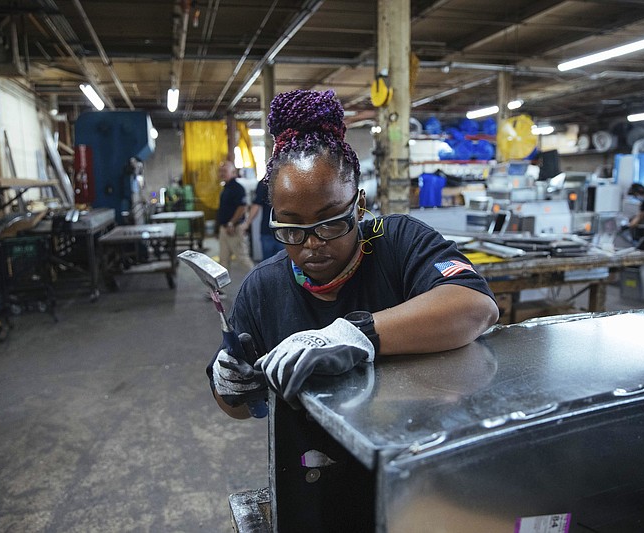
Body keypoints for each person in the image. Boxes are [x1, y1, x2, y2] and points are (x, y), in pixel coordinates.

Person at [206, 89, 499, 531]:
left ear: (359, 206)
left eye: (331, 222)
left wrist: (358, 333)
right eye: (292, 229)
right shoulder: (263, 288)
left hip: (419, 469)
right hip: (312, 477)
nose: (312, 244)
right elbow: (239, 409)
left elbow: (474, 307)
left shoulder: (398, 243)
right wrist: (229, 383)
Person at [215, 160, 254, 271]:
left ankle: (257, 283)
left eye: (225, 171)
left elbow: (242, 207)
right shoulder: (226, 188)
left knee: (242, 259)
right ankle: (221, 287)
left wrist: (231, 223)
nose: (222, 173)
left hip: (234, 229)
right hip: (224, 229)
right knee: (223, 260)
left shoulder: (237, 188)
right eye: (221, 171)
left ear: (233, 172)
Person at [252, 178, 285, 261]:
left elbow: (256, 205)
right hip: (284, 229)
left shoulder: (264, 183)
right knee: (284, 263)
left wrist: (246, 223)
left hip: (269, 229)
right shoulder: (286, 178)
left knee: (268, 263)